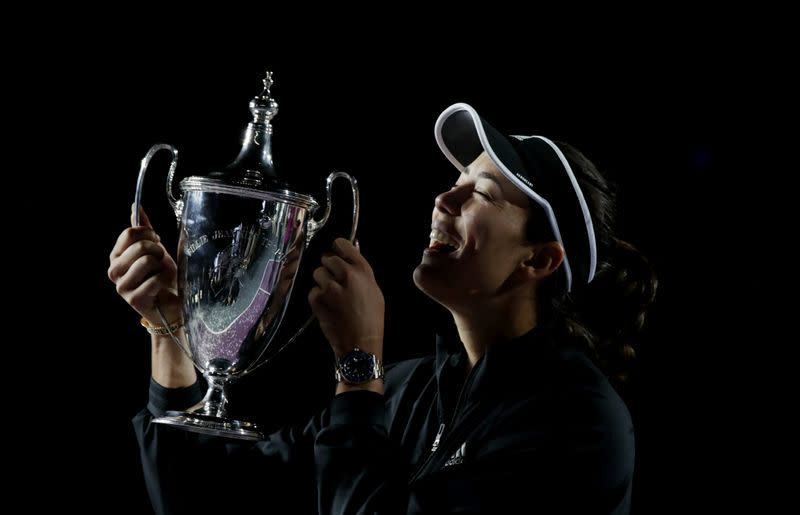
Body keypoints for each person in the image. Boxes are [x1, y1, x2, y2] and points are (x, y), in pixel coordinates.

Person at [108, 102, 657, 514]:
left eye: (482, 193)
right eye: (456, 181)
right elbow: (197, 495)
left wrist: (357, 364)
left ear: (538, 260)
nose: (445, 199)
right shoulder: (406, 392)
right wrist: (170, 327)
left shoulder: (580, 424)